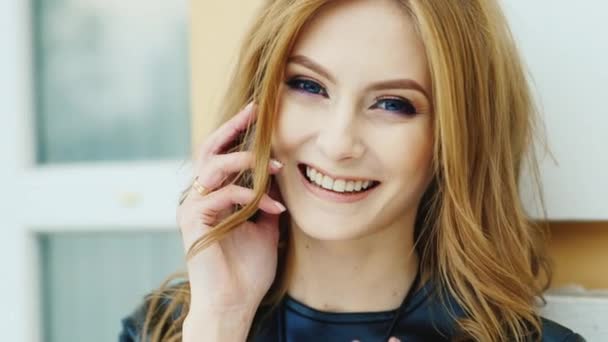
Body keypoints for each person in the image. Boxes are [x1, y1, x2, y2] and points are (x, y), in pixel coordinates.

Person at [119, 0, 586, 341]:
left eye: (393, 104)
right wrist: (222, 320)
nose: (338, 142)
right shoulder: (160, 328)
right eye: (308, 85)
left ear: (452, 138)